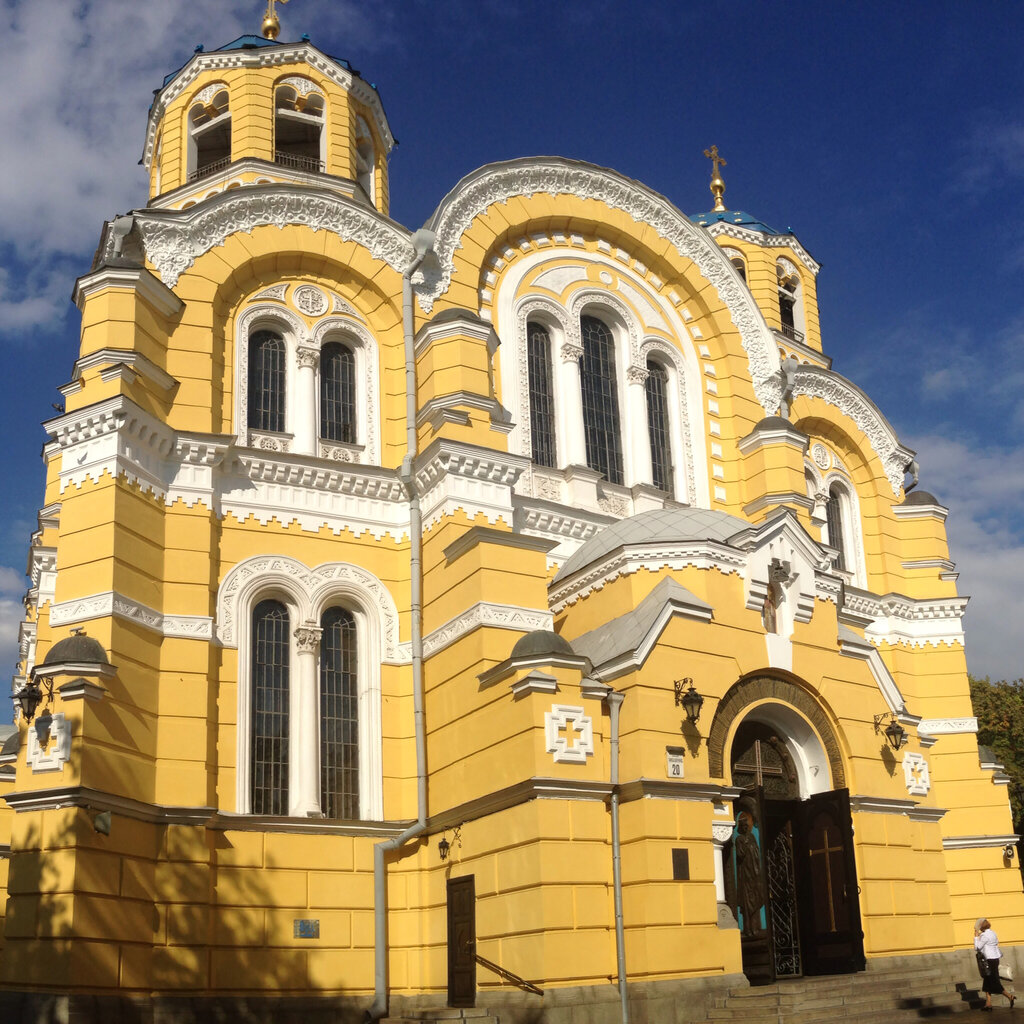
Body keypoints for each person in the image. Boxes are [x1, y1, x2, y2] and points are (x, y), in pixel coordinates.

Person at [975, 918, 1015, 1011]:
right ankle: (988, 1004)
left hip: (988, 960)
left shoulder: (984, 936)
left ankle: (1009, 996)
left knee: (994, 981)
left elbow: (977, 947)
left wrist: (976, 937)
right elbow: (995, 943)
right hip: (995, 958)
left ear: (981, 926)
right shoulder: (993, 933)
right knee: (987, 981)